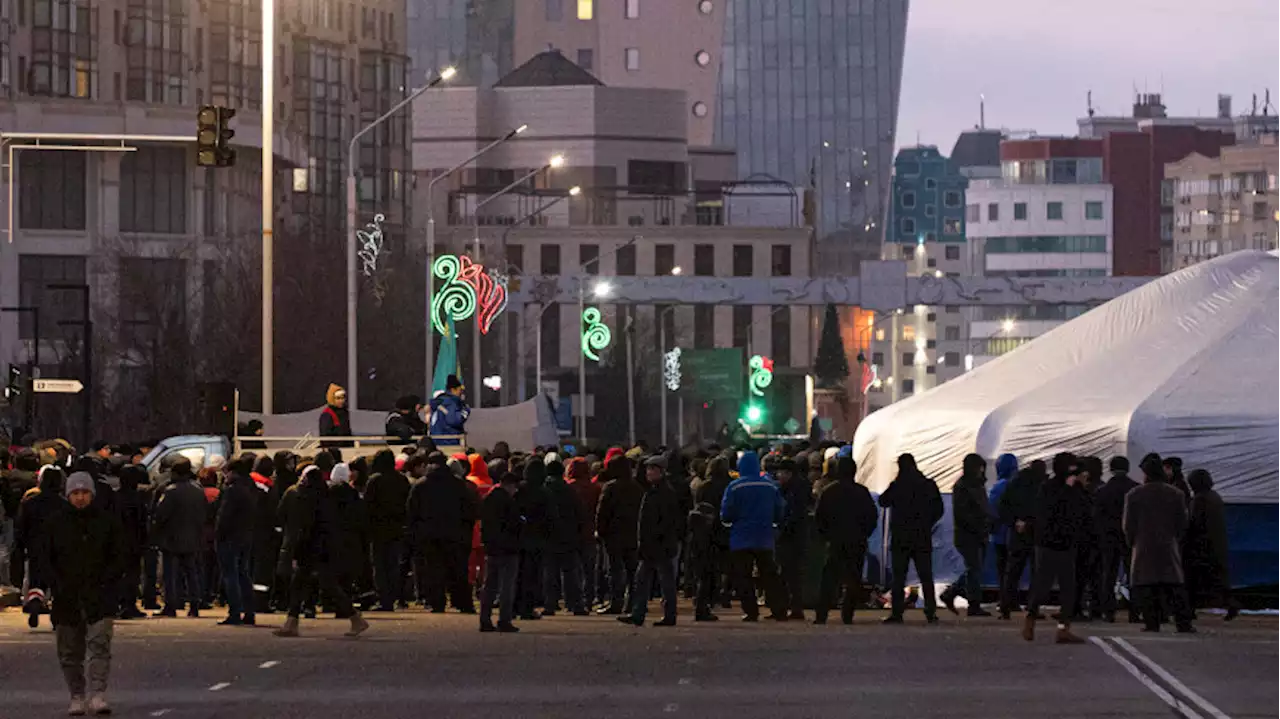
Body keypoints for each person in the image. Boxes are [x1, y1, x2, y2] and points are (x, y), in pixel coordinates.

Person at [41, 472, 122, 716]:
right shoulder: (55, 522)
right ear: (67, 495)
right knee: (69, 651)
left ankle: (98, 693)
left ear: (92, 494)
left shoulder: (106, 521)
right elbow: (45, 557)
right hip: (67, 595)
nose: (80, 498)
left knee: (100, 645)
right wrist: (52, 584)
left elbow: (119, 555)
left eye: (84, 493)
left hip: (100, 593)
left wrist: (110, 581)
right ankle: (76, 694)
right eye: (75, 493)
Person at [274, 466, 370, 638]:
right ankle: (354, 618)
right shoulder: (326, 496)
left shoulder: (299, 495)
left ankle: (293, 622)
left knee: (306, 584)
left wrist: (295, 549)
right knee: (324, 584)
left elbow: (293, 522)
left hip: (307, 547)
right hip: (325, 546)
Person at [1021, 453, 1088, 644]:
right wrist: (1068, 488)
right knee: (1042, 586)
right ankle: (1030, 619)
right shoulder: (1049, 488)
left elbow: (1083, 510)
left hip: (1067, 544)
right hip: (1048, 544)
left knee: (1068, 589)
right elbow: (1048, 510)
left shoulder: (1075, 489)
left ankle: (1063, 628)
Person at [1124, 454, 1193, 634]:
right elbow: (1183, 522)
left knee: (1147, 586)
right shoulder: (1175, 493)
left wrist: (1132, 541)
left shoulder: (1134, 494)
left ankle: (1151, 623)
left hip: (1143, 544)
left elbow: (1128, 524)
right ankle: (1183, 622)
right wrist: (1176, 538)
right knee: (1174, 585)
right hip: (1169, 544)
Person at [407, 452, 479, 613]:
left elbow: (412, 513)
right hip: (455, 534)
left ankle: (437, 603)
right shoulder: (458, 484)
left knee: (433, 570)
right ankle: (463, 602)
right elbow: (469, 510)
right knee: (458, 570)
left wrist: (416, 534)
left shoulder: (420, 485)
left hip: (429, 535)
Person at [720, 451, 786, 622]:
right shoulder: (770, 486)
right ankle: (778, 609)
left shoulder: (734, 487)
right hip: (764, 536)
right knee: (769, 575)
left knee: (744, 576)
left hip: (741, 537)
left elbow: (726, 513)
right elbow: (779, 511)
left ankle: (751, 611)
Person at [879, 454, 944, 624]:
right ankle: (930, 611)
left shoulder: (898, 486)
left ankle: (897, 612)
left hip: (901, 537)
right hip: (922, 537)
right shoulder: (927, 485)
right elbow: (939, 509)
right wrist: (927, 523)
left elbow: (883, 501)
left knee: (899, 577)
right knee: (926, 576)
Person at [813, 456, 878, 625]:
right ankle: (847, 614)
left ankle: (822, 614)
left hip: (835, 541)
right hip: (857, 541)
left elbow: (819, 517)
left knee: (829, 579)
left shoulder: (829, 491)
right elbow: (872, 517)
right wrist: (864, 534)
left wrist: (826, 535)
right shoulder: (862, 492)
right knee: (853, 578)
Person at [620, 456, 682, 627]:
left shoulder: (663, 493)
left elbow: (664, 521)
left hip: (658, 544)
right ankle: (639, 613)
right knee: (644, 580)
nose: (648, 473)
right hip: (654, 544)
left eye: (652, 469)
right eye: (648, 469)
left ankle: (665, 614)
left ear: (661, 472)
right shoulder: (656, 491)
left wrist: (652, 540)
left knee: (662, 581)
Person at [151, 458, 206, 618]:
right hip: (193, 537)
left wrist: (155, 533)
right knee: (191, 573)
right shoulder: (198, 490)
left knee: (171, 574)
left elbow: (161, 515)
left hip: (172, 538)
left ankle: (171, 606)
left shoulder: (170, 491)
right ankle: (194, 605)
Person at [942, 453, 994, 617]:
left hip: (977, 533)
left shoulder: (973, 485)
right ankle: (973, 603)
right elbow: (964, 514)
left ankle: (952, 593)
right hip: (970, 534)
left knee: (973, 569)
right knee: (974, 569)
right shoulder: (964, 487)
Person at [16, 465, 67, 628]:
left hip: (35, 546)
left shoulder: (30, 503)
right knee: (57, 581)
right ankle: (57, 613)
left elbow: (21, 526)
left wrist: (22, 545)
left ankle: (35, 600)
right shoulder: (63, 504)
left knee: (36, 579)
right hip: (58, 546)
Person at [1185, 469, 1238, 620]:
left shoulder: (1199, 500)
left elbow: (1194, 523)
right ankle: (1231, 603)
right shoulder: (1215, 497)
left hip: (1200, 546)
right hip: (1216, 543)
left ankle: (1190, 609)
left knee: (1192, 580)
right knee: (1218, 579)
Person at [997, 461, 1046, 620]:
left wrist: (1014, 522)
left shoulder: (1015, 483)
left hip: (1017, 533)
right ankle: (1033, 609)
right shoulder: (1042, 485)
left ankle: (1005, 606)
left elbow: (1002, 506)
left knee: (1012, 572)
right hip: (1036, 534)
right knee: (1036, 572)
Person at [595, 454, 642, 615]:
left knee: (615, 571)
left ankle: (616, 602)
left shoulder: (610, 487)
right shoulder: (637, 487)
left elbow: (602, 512)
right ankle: (632, 603)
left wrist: (600, 531)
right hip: (632, 534)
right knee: (632, 571)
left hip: (613, 535)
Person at [364, 449, 410, 612]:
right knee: (393, 565)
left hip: (378, 529)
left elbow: (367, 506)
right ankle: (395, 596)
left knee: (379, 565)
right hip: (397, 528)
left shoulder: (374, 480)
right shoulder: (402, 480)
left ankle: (384, 599)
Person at [1093, 456, 1138, 623]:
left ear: (1110, 469)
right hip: (1129, 537)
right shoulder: (1134, 489)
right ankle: (1135, 611)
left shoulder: (1102, 490)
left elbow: (1096, 516)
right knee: (1132, 573)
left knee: (1108, 574)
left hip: (1108, 537)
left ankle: (1108, 612)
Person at [214, 455, 258, 626]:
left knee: (230, 574)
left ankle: (234, 612)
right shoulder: (251, 487)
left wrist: (218, 534)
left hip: (230, 537)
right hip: (246, 535)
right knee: (243, 574)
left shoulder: (233, 490)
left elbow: (224, 516)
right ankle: (249, 612)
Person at [479, 464, 523, 633]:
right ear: (510, 485)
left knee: (489, 585)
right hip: (508, 548)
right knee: (506, 586)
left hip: (491, 547)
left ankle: (485, 619)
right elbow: (515, 524)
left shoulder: (489, 498)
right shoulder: (508, 502)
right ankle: (504, 619)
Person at [688, 456, 732, 621]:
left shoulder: (703, 486)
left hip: (703, 532)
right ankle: (713, 600)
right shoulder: (728, 486)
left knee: (704, 571)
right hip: (722, 531)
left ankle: (702, 602)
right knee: (720, 568)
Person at [542, 460, 587, 616]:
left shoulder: (545, 489)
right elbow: (579, 512)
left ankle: (550, 603)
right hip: (568, 535)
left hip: (548, 535)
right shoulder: (569, 489)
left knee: (550, 571)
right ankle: (575, 604)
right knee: (571, 572)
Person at [774, 457, 812, 621]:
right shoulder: (800, 487)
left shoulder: (792, 490)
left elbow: (791, 514)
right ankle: (791, 607)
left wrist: (781, 529)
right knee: (792, 574)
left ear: (788, 473)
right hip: (797, 535)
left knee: (787, 573)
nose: (778, 476)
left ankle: (786, 608)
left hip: (790, 536)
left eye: (781, 472)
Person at [327, 463, 368, 611]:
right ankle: (345, 605)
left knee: (333, 573)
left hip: (332, 538)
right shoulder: (353, 494)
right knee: (347, 575)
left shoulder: (327, 493)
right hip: (350, 538)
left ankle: (331, 604)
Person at [566, 457, 603, 608]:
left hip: (570, 532)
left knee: (572, 568)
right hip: (589, 531)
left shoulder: (568, 487)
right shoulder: (594, 488)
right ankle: (588, 598)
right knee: (589, 568)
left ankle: (573, 600)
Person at [115, 465, 149, 620]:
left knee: (118, 574)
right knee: (133, 574)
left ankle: (118, 603)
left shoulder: (115, 497)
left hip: (117, 541)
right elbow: (142, 522)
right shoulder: (138, 498)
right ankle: (129, 604)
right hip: (134, 541)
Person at [988, 453, 1018, 605]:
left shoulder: (999, 487)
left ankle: (1005, 599)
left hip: (1000, 534)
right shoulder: (1018, 484)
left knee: (1003, 570)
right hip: (1015, 534)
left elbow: (992, 509)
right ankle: (1011, 599)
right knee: (1013, 570)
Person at [465, 454, 496, 590]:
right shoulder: (490, 482)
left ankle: (470, 582)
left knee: (471, 559)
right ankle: (483, 584)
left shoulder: (469, 483)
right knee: (484, 559)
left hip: (472, 525)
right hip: (487, 524)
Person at [429, 375, 470, 442]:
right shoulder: (451, 403)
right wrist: (465, 410)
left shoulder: (439, 402)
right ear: (453, 390)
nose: (461, 393)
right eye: (460, 390)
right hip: (448, 441)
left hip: (436, 441)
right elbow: (454, 420)